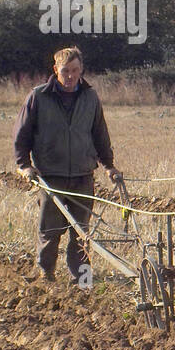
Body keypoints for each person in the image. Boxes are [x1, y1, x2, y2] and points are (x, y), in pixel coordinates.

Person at [12, 46, 123, 283]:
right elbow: (22, 134)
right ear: (55, 70)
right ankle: (46, 273)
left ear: (81, 69)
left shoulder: (90, 97)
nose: (71, 76)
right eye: (65, 71)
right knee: (50, 230)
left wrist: (109, 165)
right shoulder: (39, 97)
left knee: (81, 231)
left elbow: (99, 133)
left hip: (83, 174)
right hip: (51, 175)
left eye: (75, 70)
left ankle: (80, 278)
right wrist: (24, 165)